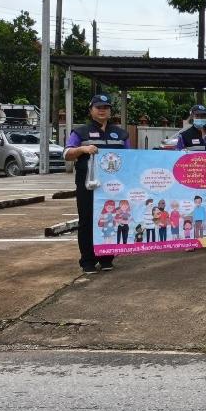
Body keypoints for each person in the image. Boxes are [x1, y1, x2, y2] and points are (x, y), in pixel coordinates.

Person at [64, 93, 130, 275]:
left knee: (112, 220)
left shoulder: (121, 134)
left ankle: (107, 257)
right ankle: (88, 260)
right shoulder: (80, 132)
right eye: (98, 107)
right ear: (91, 110)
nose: (102, 110)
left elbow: (130, 158)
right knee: (87, 221)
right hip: (88, 186)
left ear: (110, 111)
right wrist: (82, 149)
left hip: (114, 188)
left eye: (106, 107)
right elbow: (67, 154)